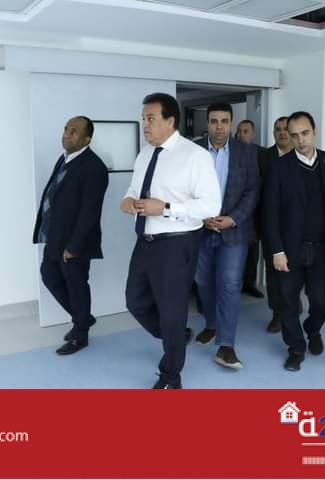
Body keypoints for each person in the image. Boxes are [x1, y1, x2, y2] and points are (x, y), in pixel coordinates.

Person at [122, 93, 221, 389]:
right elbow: (134, 187)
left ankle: (170, 375)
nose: (145, 125)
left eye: (151, 119)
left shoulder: (195, 156)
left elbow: (211, 206)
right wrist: (128, 199)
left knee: (171, 310)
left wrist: (165, 208)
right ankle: (175, 335)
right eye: (143, 118)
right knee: (135, 301)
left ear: (170, 121)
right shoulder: (145, 154)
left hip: (177, 244)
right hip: (145, 240)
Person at [263, 111, 325, 371]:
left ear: (314, 131)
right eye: (294, 135)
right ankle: (296, 347)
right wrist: (277, 250)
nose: (300, 140)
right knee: (288, 302)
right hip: (289, 248)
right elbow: (270, 211)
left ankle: (313, 328)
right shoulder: (279, 166)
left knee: (322, 300)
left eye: (305, 133)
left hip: (322, 247)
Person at [32, 116, 109, 355]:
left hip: (74, 242)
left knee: (76, 286)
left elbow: (90, 212)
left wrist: (74, 245)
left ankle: (80, 335)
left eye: (74, 131)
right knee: (49, 276)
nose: (67, 134)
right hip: (55, 236)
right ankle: (83, 318)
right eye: (66, 128)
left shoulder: (94, 167)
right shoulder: (65, 158)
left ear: (87, 139)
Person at [193, 103, 259, 369]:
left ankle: (226, 345)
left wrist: (233, 218)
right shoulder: (194, 150)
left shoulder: (246, 152)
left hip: (234, 229)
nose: (219, 126)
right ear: (207, 123)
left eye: (224, 121)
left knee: (230, 284)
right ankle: (211, 324)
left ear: (231, 123)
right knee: (202, 281)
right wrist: (200, 217)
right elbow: (183, 188)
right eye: (214, 121)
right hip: (200, 229)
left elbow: (253, 190)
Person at [260, 116, 294, 333]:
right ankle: (277, 313)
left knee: (294, 269)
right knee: (273, 272)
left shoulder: (302, 156)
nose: (281, 133)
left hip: (296, 226)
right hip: (270, 225)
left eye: (285, 129)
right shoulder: (263, 157)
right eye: (277, 129)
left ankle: (292, 304)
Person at [236, 119, 265, 299]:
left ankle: (249, 284)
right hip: (234, 209)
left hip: (255, 210)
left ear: (253, 134)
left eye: (245, 131)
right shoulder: (231, 151)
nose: (241, 135)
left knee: (253, 249)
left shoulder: (262, 154)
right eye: (239, 131)